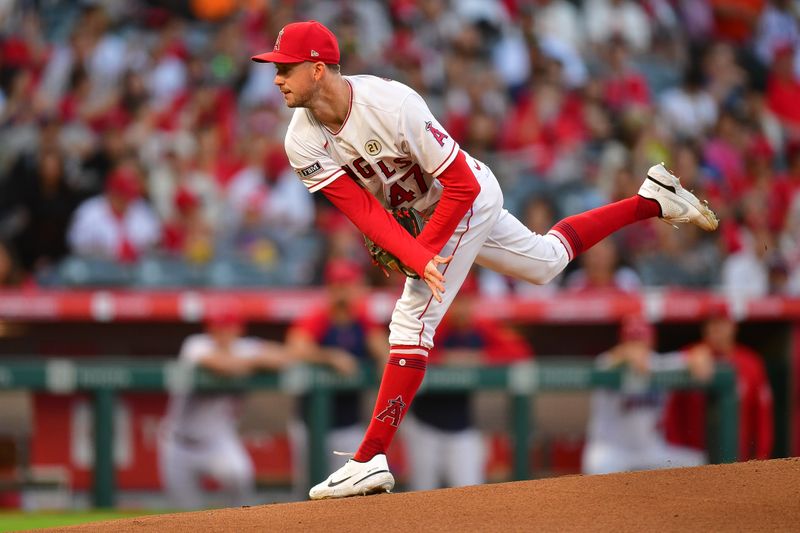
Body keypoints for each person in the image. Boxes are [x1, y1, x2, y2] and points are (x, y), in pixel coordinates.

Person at [250, 20, 719, 499]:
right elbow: (365, 212)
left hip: (464, 198)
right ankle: (651, 199)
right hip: (425, 212)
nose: (276, 78)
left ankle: (370, 457)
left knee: (411, 321)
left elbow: (462, 185)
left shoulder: (392, 104)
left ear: (318, 69)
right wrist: (411, 252)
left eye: (285, 68)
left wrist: (423, 253)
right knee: (546, 262)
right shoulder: (300, 139)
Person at [404, 274, 532, 490]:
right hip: (424, 425)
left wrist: (480, 357)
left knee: (470, 492)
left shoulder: (479, 328)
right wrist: (444, 359)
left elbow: (520, 352)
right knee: (421, 494)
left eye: (466, 300)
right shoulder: (434, 324)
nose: (461, 307)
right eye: (456, 299)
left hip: (461, 427)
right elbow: (408, 350)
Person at [158, 303, 292, 509]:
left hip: (218, 441)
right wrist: (253, 363)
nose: (222, 333)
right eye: (217, 327)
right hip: (179, 443)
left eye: (228, 327)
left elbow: (284, 357)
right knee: (184, 513)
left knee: (240, 478)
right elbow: (222, 365)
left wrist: (251, 358)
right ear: (209, 329)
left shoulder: (245, 347)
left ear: (238, 329)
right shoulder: (196, 344)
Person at [285, 259, 388, 496]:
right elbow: (295, 348)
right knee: (308, 490)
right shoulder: (319, 317)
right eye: (338, 285)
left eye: (348, 285)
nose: (343, 292)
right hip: (311, 424)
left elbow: (384, 352)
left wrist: (381, 362)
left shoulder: (362, 320)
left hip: (349, 423)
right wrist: (331, 357)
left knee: (350, 492)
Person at [582, 315, 712, 475]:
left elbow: (694, 356)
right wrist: (624, 354)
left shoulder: (657, 364)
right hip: (611, 451)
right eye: (632, 340)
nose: (637, 346)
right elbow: (605, 364)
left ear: (652, 342)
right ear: (622, 342)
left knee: (697, 463)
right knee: (596, 470)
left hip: (650, 451)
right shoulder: (607, 362)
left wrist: (700, 356)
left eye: (641, 340)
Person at [664, 303, 774, 461]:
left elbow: (763, 418)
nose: (715, 329)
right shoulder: (689, 356)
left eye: (721, 323)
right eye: (711, 323)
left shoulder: (751, 363)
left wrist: (761, 458)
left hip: (737, 459)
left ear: (733, 326)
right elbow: (673, 413)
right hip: (693, 460)